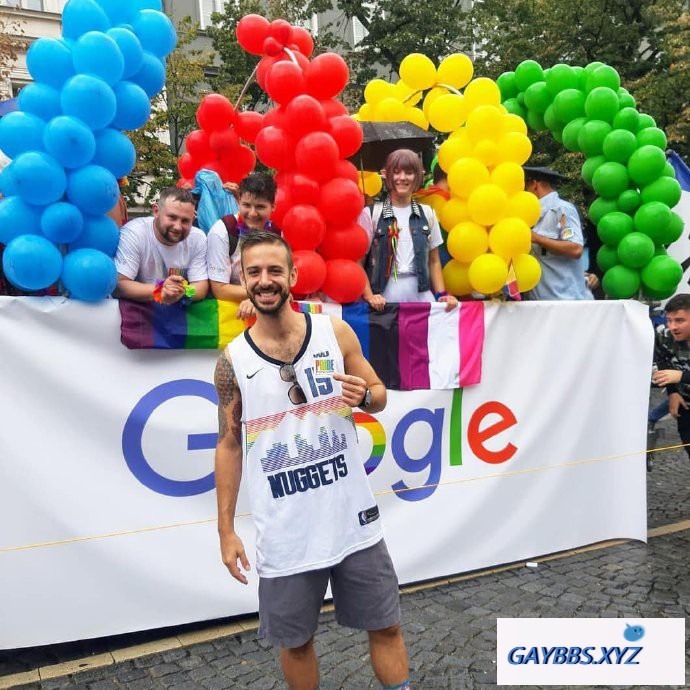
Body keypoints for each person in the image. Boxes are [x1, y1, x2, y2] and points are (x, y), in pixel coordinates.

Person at [214, 231, 410, 690]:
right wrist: (225, 530)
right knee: (296, 643)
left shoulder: (333, 331)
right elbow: (228, 445)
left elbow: (378, 393)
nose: (265, 281)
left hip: (354, 523)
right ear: (243, 279)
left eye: (275, 271)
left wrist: (367, 396)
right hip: (286, 532)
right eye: (255, 272)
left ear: (293, 276)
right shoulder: (232, 362)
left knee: (387, 627)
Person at [359, 149, 457, 311]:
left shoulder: (428, 213)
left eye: (409, 172)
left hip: (421, 297)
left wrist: (441, 294)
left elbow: (434, 261)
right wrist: (370, 296)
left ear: (418, 176)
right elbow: (358, 262)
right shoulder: (371, 214)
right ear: (387, 176)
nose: (402, 178)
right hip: (383, 300)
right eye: (396, 172)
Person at [114, 187, 208, 304]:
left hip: (177, 309)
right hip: (139, 310)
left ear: (193, 219)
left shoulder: (198, 238)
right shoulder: (135, 232)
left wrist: (183, 292)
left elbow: (201, 287)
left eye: (185, 221)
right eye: (172, 217)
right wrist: (160, 290)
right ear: (156, 211)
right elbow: (120, 285)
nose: (178, 226)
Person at [207, 173, 279, 319]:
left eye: (260, 206)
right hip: (228, 315)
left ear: (273, 207)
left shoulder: (277, 235)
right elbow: (220, 289)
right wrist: (262, 295)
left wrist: (259, 298)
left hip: (265, 309)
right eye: (246, 205)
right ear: (239, 202)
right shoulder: (222, 231)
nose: (252, 213)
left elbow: (281, 280)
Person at [523, 165, 593, 300]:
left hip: (565, 301)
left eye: (526, 187)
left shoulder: (562, 210)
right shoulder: (530, 215)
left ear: (535, 185)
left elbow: (576, 249)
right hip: (538, 302)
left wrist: (537, 238)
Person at [652, 293, 690, 459]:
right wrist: (672, 391)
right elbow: (661, 358)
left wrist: (682, 376)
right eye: (669, 320)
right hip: (686, 406)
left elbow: (678, 375)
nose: (673, 326)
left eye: (680, 320)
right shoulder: (664, 336)